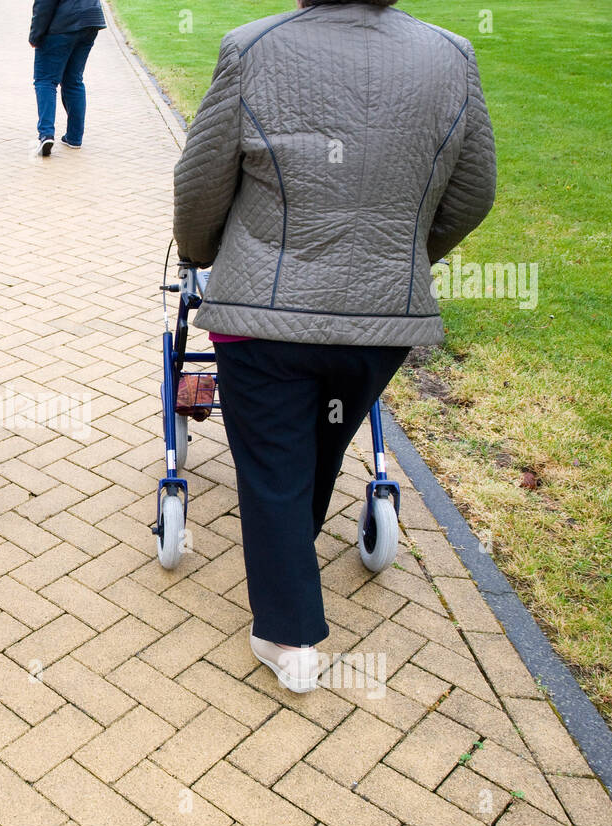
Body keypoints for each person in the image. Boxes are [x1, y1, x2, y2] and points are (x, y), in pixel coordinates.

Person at [172, 0, 495, 692]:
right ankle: (290, 571)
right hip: (378, 325)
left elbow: (198, 186)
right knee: (316, 449)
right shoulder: (452, 57)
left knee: (276, 467)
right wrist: (406, 258)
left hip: (265, 315)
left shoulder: (250, 48)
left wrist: (200, 255)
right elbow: (473, 193)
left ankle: (288, 636)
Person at [29, 0, 106, 156]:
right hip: (90, 21)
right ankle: (74, 137)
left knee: (45, 80)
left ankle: (46, 134)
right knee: (74, 81)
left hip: (63, 25)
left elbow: (44, 4)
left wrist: (35, 35)